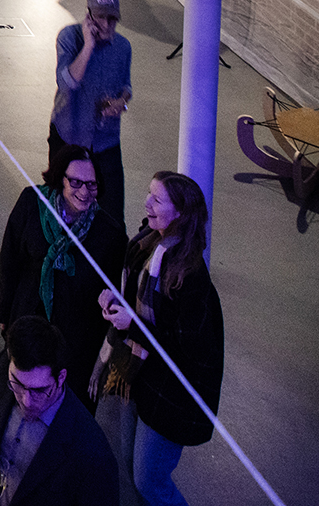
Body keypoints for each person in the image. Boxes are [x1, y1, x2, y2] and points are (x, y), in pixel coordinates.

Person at [91, 171, 223, 506]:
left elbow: (190, 350)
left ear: (180, 212)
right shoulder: (145, 244)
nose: (147, 202)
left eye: (157, 199)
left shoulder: (190, 276)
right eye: (149, 193)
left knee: (149, 480)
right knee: (130, 462)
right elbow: (137, 302)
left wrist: (132, 325)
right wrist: (116, 304)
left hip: (171, 393)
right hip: (137, 376)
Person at [0, 145, 127, 411]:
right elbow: (9, 261)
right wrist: (2, 313)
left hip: (74, 341)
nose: (84, 192)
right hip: (27, 318)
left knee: (63, 408)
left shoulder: (109, 234)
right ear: (60, 178)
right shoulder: (32, 204)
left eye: (92, 184)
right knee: (17, 395)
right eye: (75, 181)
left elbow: (113, 293)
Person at [0, 316, 120, 506]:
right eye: (17, 384)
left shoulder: (94, 456)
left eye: (39, 390)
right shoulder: (4, 370)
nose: (26, 400)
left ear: (61, 378)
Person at [51, 0, 134, 227]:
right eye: (100, 17)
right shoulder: (69, 38)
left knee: (113, 215)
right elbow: (67, 84)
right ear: (88, 16)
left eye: (112, 19)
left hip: (105, 139)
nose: (107, 25)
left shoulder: (123, 47)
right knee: (63, 206)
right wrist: (88, 46)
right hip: (68, 136)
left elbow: (126, 85)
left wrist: (122, 102)